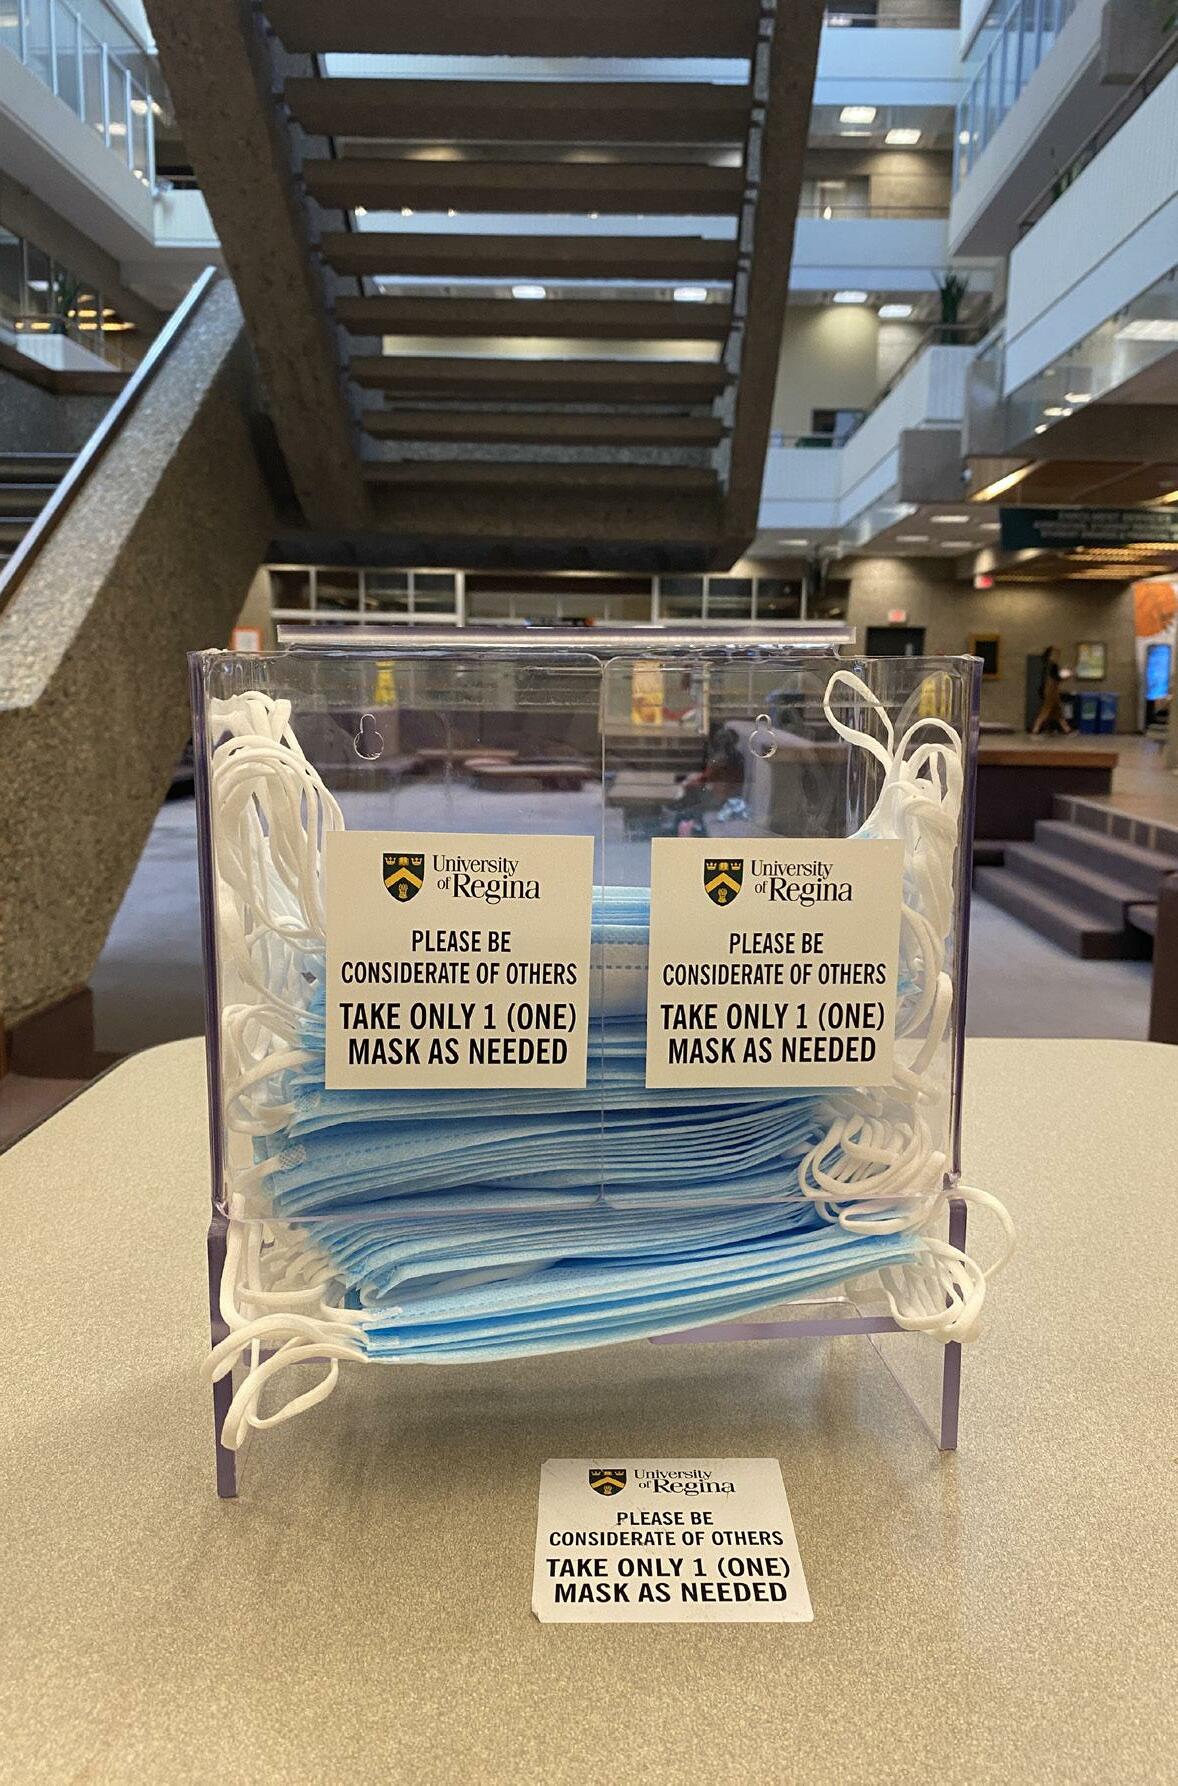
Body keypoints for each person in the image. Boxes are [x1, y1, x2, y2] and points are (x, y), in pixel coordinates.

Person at [1030, 645, 1073, 735]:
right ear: (1051, 655)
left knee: (1057, 711)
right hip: (1052, 690)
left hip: (1050, 689)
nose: (1058, 656)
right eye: (1056, 654)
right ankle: (1036, 728)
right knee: (1046, 710)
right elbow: (1056, 678)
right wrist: (1066, 675)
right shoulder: (1053, 665)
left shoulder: (1046, 665)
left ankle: (1067, 729)